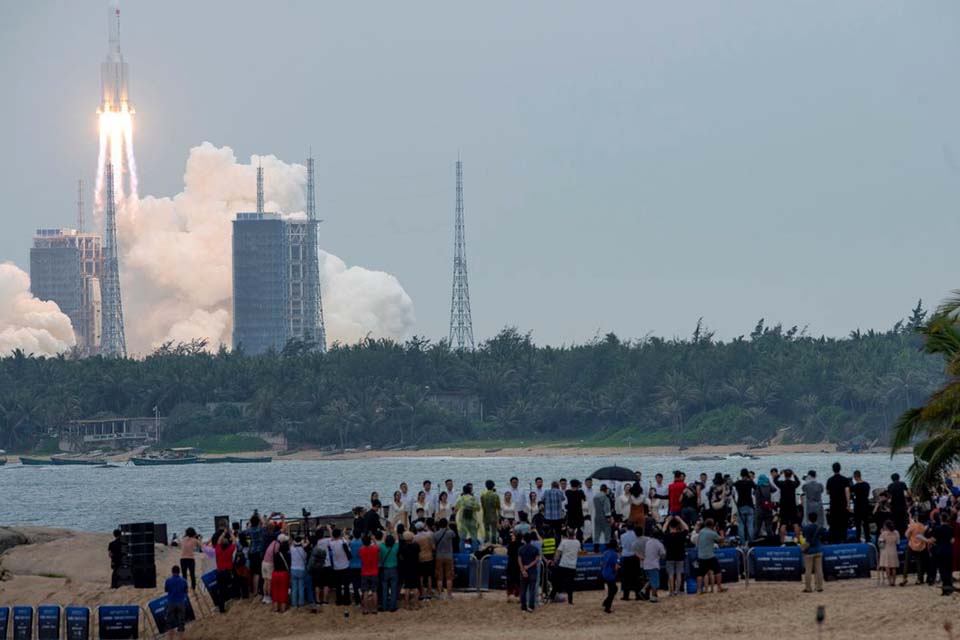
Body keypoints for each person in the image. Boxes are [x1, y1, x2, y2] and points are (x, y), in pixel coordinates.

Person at [550, 528, 580, 604]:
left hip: (563, 565)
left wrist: (554, 561)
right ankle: (570, 600)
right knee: (570, 583)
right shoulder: (577, 542)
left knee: (557, 582)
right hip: (572, 566)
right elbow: (578, 552)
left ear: (567, 534)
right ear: (574, 534)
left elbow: (558, 552)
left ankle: (552, 596)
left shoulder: (564, 542)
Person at [928, 512, 955, 595]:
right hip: (949, 551)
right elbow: (952, 541)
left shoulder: (937, 528)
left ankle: (945, 590)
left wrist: (927, 540)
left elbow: (932, 540)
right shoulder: (951, 529)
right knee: (949, 570)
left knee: (942, 571)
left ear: (941, 519)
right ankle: (950, 588)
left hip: (940, 551)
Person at [695, 518, 725, 595]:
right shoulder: (712, 533)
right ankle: (719, 587)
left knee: (700, 574)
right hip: (710, 555)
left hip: (701, 556)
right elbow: (721, 540)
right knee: (718, 570)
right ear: (712, 525)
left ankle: (699, 590)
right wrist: (722, 534)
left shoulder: (701, 531)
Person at [663, 515, 688, 596]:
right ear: (677, 527)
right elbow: (686, 528)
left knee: (670, 574)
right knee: (679, 574)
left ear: (670, 526)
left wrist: (667, 521)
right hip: (680, 556)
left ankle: (671, 591)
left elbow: (663, 529)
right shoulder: (681, 535)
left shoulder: (667, 535)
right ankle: (678, 591)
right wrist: (680, 519)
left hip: (670, 557)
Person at [826, 462, 851, 544]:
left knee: (834, 522)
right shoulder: (845, 480)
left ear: (833, 469)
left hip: (833, 504)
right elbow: (847, 492)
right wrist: (848, 504)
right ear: (840, 469)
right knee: (843, 522)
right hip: (842, 504)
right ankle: (843, 538)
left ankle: (834, 539)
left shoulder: (830, 480)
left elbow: (827, 492)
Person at [901, 511, 929, 586]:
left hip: (911, 545)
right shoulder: (923, 527)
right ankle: (919, 579)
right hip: (920, 546)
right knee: (918, 563)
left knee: (907, 562)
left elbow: (906, 535)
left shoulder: (913, 526)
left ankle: (904, 578)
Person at [800, 511, 825, 593]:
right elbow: (825, 534)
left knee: (808, 570)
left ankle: (808, 587)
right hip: (818, 549)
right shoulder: (820, 528)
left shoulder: (806, 528)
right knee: (819, 570)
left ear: (809, 518)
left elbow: (804, 536)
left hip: (809, 551)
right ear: (816, 518)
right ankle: (819, 587)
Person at [243, 514, 265, 598]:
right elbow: (264, 524)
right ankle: (257, 590)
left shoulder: (250, 530)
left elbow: (246, 530)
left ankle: (253, 590)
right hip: (259, 552)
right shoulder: (260, 529)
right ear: (258, 522)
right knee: (258, 572)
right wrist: (260, 517)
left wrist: (251, 518)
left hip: (252, 551)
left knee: (253, 572)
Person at [641, 530, 666, 603]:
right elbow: (663, 554)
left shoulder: (648, 542)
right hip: (653, 564)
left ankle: (643, 590)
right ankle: (653, 597)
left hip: (646, 564)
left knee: (651, 580)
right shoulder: (659, 544)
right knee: (655, 582)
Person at [214, 529, 236, 613]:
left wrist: (223, 533)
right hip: (227, 572)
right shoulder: (229, 550)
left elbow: (218, 541)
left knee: (221, 590)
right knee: (227, 587)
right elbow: (234, 541)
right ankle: (228, 599)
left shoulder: (218, 550)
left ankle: (221, 607)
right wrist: (231, 533)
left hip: (220, 572)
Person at [518, 532, 541, 612]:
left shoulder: (521, 549)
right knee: (532, 589)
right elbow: (536, 560)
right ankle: (531, 606)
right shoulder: (535, 549)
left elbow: (519, 560)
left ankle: (523, 606)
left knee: (523, 590)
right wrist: (528, 566)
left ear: (524, 539)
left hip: (523, 571)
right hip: (532, 571)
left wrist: (523, 570)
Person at [398, 531, 422, 609]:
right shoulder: (416, 545)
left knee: (407, 587)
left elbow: (401, 557)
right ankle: (416, 604)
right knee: (415, 587)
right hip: (415, 567)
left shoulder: (403, 547)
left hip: (406, 567)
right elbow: (419, 554)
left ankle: (407, 604)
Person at [164, 565, 189, 638]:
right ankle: (181, 636)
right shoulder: (184, 580)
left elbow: (166, 590)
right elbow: (186, 591)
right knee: (181, 621)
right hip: (181, 602)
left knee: (169, 621)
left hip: (171, 602)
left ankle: (170, 637)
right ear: (179, 572)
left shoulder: (168, 580)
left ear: (172, 572)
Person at [433, 518, 455, 600]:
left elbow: (434, 545)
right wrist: (447, 527)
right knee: (449, 577)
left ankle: (440, 594)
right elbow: (454, 535)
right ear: (446, 524)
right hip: (449, 556)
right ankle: (449, 595)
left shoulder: (436, 534)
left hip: (439, 556)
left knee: (439, 577)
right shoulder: (450, 532)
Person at [733, 468, 756, 543]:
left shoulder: (738, 483)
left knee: (741, 525)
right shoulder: (750, 482)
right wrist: (750, 479)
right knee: (750, 525)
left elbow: (732, 486)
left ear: (741, 475)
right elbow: (756, 488)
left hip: (741, 505)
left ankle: (742, 542)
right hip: (749, 505)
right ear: (747, 474)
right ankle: (751, 541)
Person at [358, 534, 379, 614]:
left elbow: (360, 556)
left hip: (365, 572)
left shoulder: (361, 549)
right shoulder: (375, 548)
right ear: (370, 541)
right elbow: (378, 547)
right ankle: (374, 609)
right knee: (374, 591)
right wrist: (374, 540)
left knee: (365, 591)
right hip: (374, 572)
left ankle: (365, 609)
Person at [378, 533, 399, 612]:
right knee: (394, 588)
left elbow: (382, 541)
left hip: (385, 569)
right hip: (394, 569)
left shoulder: (382, 547)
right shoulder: (396, 547)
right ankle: (392, 606)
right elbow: (397, 540)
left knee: (384, 588)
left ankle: (384, 606)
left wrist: (385, 535)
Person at [878, 520, 900, 587]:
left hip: (886, 551)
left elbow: (881, 545)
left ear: (885, 526)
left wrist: (881, 534)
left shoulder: (883, 534)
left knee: (887, 567)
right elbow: (898, 542)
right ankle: (894, 582)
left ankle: (890, 582)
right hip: (893, 551)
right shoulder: (896, 532)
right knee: (894, 567)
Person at [851, 470, 872, 542]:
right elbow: (867, 494)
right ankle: (868, 538)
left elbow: (852, 494)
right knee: (866, 523)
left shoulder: (855, 486)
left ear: (855, 476)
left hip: (858, 505)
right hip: (865, 504)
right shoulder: (867, 484)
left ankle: (858, 538)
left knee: (858, 523)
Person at [600, 540, 620, 613]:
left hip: (604, 572)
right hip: (610, 574)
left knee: (612, 589)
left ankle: (606, 602)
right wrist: (616, 571)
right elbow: (616, 567)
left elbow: (601, 563)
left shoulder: (605, 552)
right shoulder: (615, 554)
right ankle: (607, 607)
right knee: (613, 590)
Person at [480, 480, 502, 545]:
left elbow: (482, 506)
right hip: (493, 515)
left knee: (486, 530)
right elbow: (498, 507)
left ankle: (486, 543)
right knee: (494, 531)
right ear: (493, 486)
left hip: (486, 515)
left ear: (486, 486)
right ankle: (494, 543)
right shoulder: (496, 495)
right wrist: (499, 516)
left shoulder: (483, 495)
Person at [290, 536, 308, 608]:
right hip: (301, 569)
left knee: (294, 587)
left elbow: (291, 544)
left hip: (293, 569)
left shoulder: (292, 549)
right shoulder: (304, 550)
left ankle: (294, 603)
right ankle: (301, 603)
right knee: (301, 587)